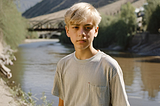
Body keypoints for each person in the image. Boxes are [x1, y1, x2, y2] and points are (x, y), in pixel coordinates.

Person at [52, 2, 130, 106]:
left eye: (87, 27)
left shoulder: (109, 66)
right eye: (75, 27)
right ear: (67, 31)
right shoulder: (63, 65)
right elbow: (61, 103)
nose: (81, 33)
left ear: (96, 31)